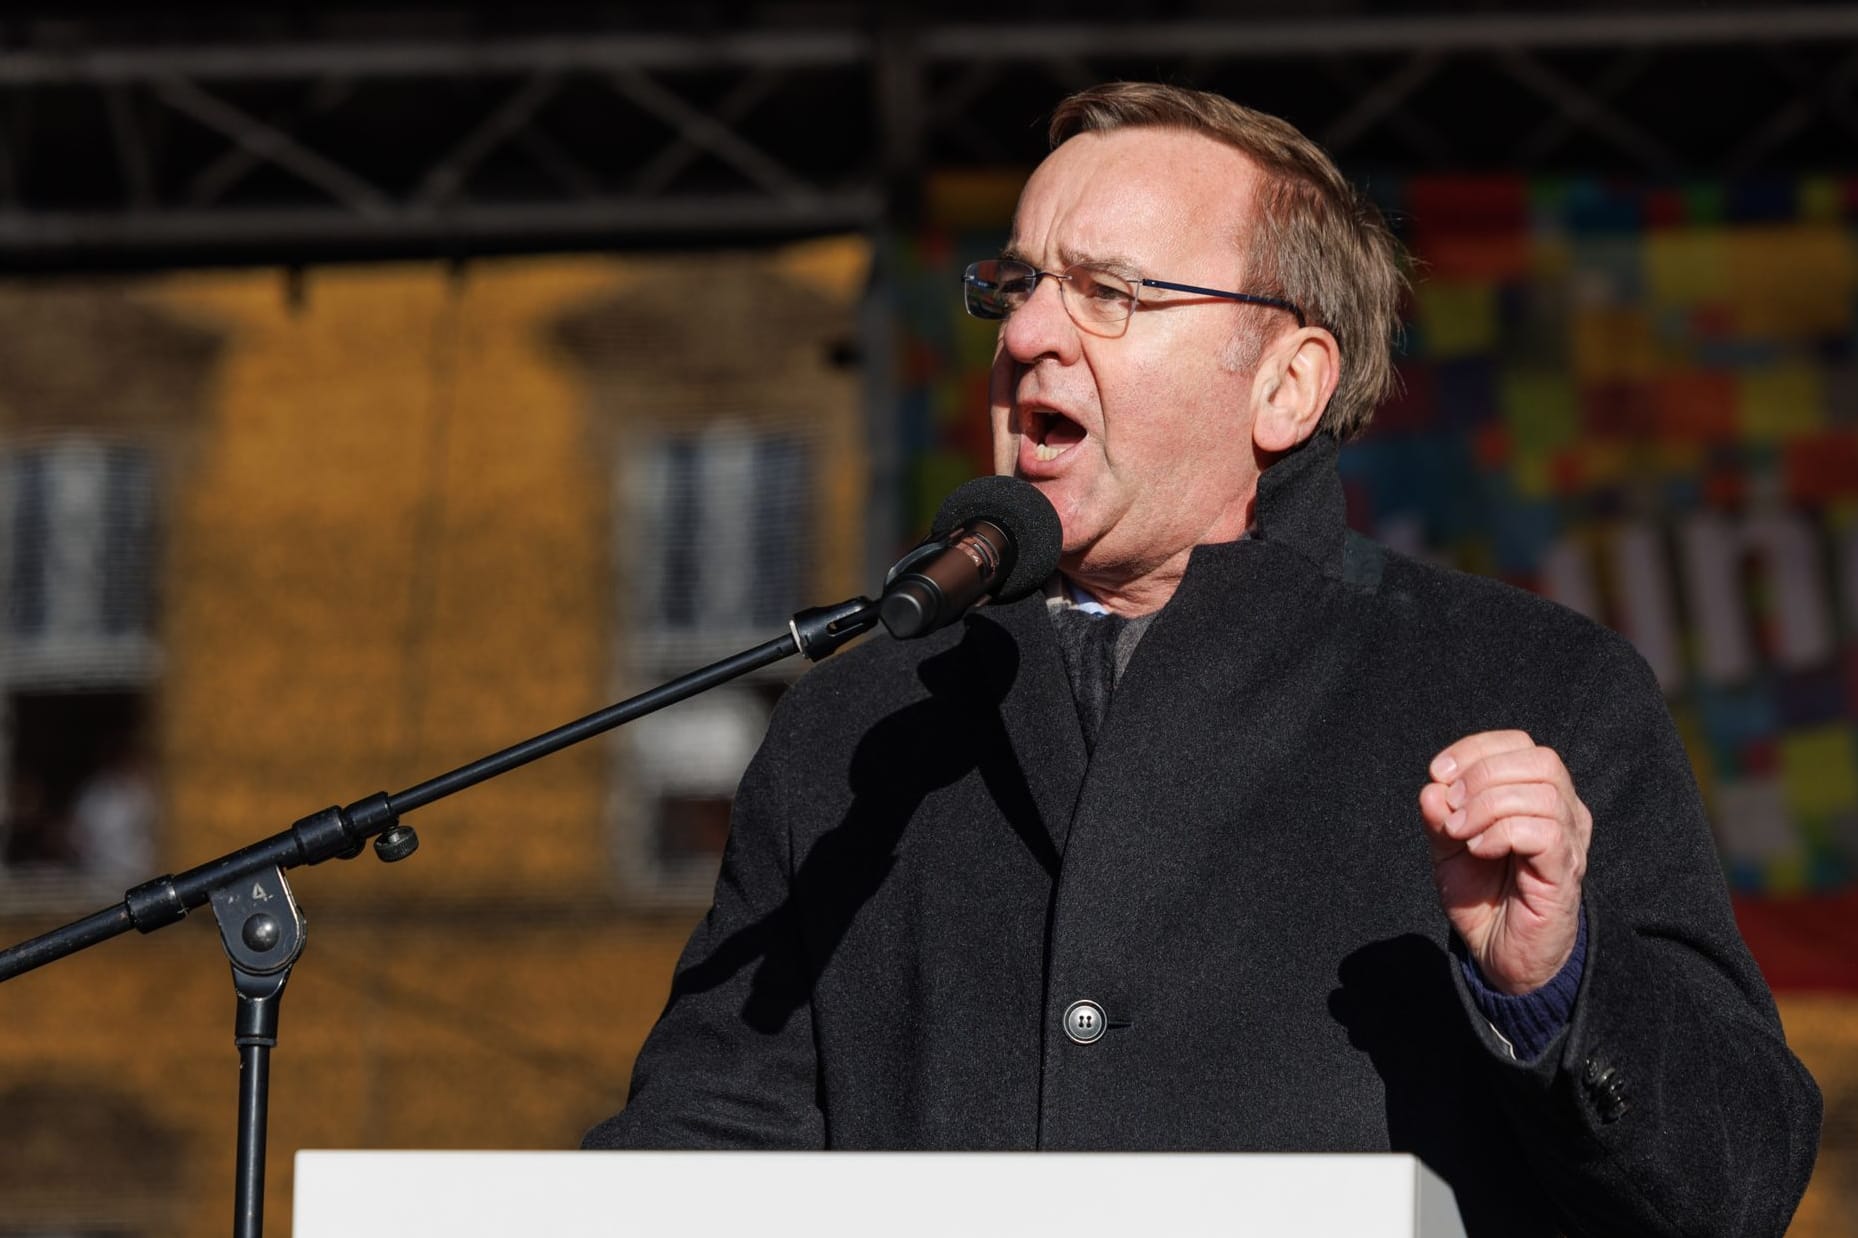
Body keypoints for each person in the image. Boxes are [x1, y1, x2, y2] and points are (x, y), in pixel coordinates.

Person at [584, 82, 1821, 1237]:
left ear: (1284, 384)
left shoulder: (1527, 687)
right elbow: (709, 1142)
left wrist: (1555, 985)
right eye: (1014, 285)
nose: (1025, 333)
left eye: (1108, 290)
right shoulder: (860, 723)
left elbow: (1738, 1178)